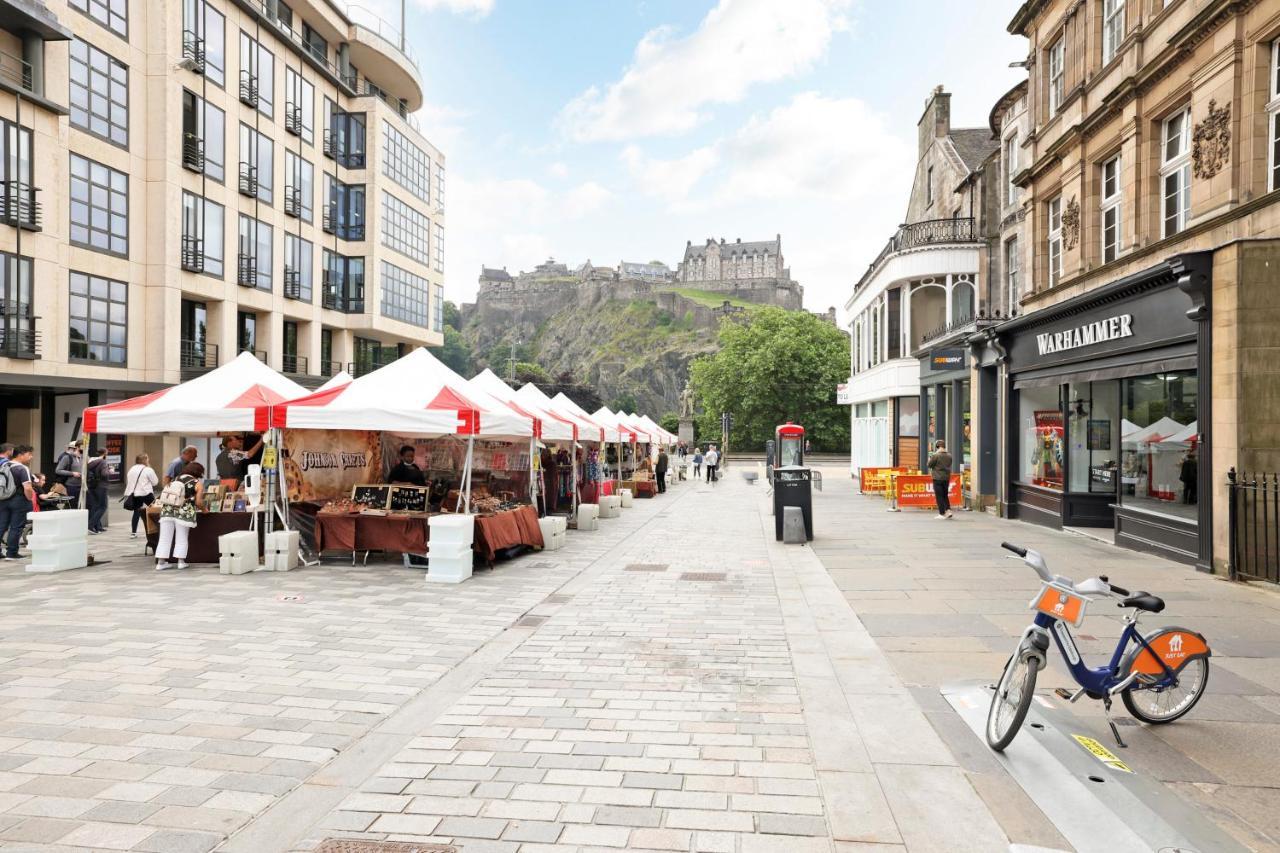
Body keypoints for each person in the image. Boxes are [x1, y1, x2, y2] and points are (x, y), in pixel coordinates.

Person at [156, 462, 204, 571]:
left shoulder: (175, 479)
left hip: (167, 510)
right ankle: (181, 562)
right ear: (198, 472)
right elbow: (199, 502)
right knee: (182, 537)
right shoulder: (197, 483)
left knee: (164, 538)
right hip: (184, 512)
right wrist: (205, 510)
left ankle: (161, 563)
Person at [0, 445, 36, 560]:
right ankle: (12, 553)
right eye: (29, 454)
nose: (31, 457)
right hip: (19, 500)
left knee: (1, 526)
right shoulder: (22, 468)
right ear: (21, 454)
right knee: (16, 527)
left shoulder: (4, 465)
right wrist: (29, 498)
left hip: (3, 499)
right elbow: (28, 488)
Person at [122, 453, 159, 538]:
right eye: (147, 459)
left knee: (136, 512)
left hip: (134, 494)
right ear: (145, 460)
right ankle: (156, 529)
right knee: (155, 510)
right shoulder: (148, 469)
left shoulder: (131, 469)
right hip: (146, 493)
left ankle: (133, 532)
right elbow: (155, 482)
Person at [85, 448, 110, 533]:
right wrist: (110, 471)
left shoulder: (91, 461)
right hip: (101, 486)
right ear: (105, 453)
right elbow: (104, 474)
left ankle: (97, 526)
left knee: (95, 506)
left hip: (92, 485)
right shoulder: (103, 462)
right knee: (103, 506)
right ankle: (91, 525)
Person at [927, 439, 954, 519]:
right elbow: (949, 464)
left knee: (939, 496)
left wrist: (929, 459)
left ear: (937, 446)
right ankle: (948, 510)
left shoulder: (936, 455)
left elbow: (929, 465)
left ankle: (941, 513)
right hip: (946, 478)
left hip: (937, 478)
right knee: (945, 495)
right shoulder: (949, 455)